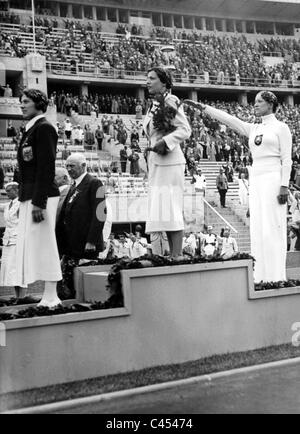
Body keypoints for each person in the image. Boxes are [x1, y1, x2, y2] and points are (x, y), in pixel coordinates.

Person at [185, 90, 292, 283]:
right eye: (255, 101)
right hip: (257, 179)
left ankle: (277, 277)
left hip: (274, 178)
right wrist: (204, 107)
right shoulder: (254, 128)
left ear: (270, 104)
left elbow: (287, 159)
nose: (255, 104)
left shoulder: (281, 127)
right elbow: (229, 119)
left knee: (272, 228)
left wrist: (284, 185)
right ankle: (260, 277)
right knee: (257, 228)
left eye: (259, 101)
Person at [16, 88, 62, 307]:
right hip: (30, 195)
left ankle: (51, 294)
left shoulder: (44, 128)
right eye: (21, 102)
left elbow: (46, 167)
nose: (22, 105)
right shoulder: (31, 129)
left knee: (46, 243)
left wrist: (38, 202)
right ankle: (48, 293)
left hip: (41, 196)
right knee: (36, 244)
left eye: (26, 101)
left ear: (38, 104)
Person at [143, 67, 191, 257]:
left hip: (170, 161)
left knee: (171, 207)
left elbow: (185, 130)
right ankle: (173, 254)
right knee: (163, 209)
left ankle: (177, 254)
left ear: (164, 82)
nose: (147, 82)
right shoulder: (154, 104)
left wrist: (165, 142)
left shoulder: (170, 100)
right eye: (147, 78)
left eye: (152, 78)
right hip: (157, 162)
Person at [56, 153, 106, 261]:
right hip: (71, 244)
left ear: (83, 166)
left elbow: (100, 214)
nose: (69, 169)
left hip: (86, 245)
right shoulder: (73, 186)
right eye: (67, 166)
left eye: (72, 166)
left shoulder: (96, 183)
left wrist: (92, 241)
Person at [0, 183, 27, 299]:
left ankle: (22, 298)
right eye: (6, 190)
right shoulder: (8, 205)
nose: (7, 193)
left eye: (9, 190)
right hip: (8, 241)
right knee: (11, 271)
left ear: (16, 190)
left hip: (19, 240)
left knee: (19, 269)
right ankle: (17, 297)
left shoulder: (21, 204)